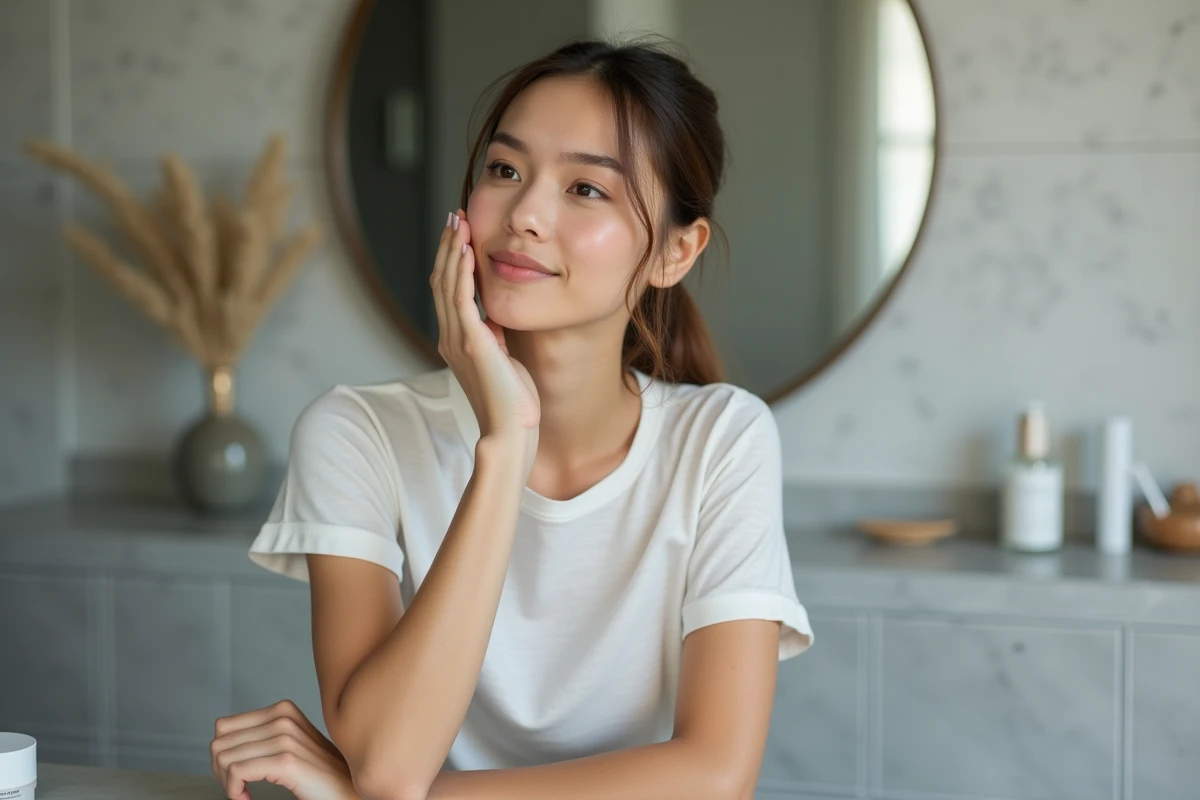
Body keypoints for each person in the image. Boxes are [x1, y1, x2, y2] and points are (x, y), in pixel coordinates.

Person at [209, 37, 812, 800]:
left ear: (675, 252)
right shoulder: (355, 432)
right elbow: (388, 762)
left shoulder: (723, 439)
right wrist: (505, 446)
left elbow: (716, 777)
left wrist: (372, 797)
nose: (524, 213)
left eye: (587, 189)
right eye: (505, 170)